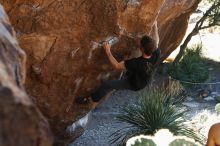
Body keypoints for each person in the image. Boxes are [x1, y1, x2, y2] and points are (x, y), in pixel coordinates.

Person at [75, 35, 160, 107]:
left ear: (142, 48)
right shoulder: (156, 53)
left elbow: (117, 65)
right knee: (129, 69)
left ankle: (90, 100)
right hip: (143, 77)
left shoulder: (136, 63)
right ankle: (128, 73)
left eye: (140, 42)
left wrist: (107, 50)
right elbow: (154, 43)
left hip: (135, 83)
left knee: (107, 85)